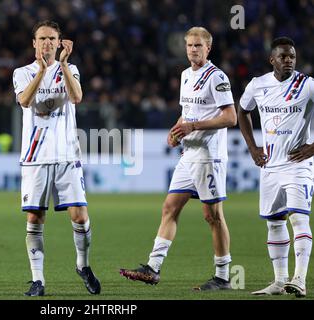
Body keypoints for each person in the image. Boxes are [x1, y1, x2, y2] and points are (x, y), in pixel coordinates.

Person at [119, 27, 237, 290]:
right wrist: (176, 131)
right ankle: (153, 267)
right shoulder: (185, 75)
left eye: (198, 46)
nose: (193, 50)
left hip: (209, 156)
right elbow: (187, 113)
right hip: (189, 154)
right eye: (189, 46)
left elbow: (231, 117)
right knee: (170, 207)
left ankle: (223, 276)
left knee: (212, 215)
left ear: (209, 48)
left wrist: (193, 127)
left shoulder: (217, 77)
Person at [12, 20, 101, 297]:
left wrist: (61, 65)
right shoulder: (22, 72)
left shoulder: (69, 69)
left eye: (52, 38)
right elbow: (25, 101)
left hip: (66, 156)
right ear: (34, 43)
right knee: (35, 219)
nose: (47, 43)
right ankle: (38, 280)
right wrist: (41, 71)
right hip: (35, 157)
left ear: (60, 43)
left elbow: (77, 97)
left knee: (81, 216)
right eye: (42, 38)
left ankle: (82, 266)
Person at [238, 37, 313, 298]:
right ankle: (279, 282)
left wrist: (313, 148)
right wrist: (253, 148)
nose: (289, 60)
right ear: (272, 60)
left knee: (299, 218)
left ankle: (300, 280)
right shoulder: (258, 85)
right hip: (270, 166)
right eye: (283, 56)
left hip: (298, 165)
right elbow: (242, 111)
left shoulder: (308, 85)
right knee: (274, 222)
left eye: (292, 56)